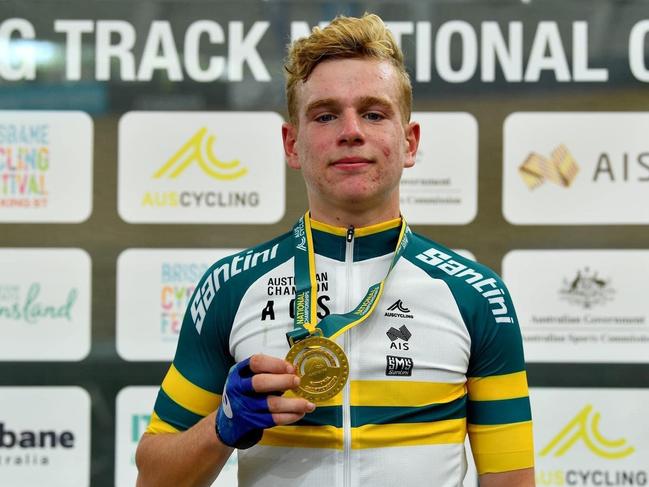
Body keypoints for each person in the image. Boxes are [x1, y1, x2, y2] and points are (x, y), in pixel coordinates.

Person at [136, 13, 535, 487]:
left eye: (373, 113)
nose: (351, 131)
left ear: (409, 142)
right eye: (326, 115)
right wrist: (222, 426)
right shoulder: (230, 286)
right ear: (292, 144)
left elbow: (511, 481)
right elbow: (154, 477)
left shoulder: (476, 295)